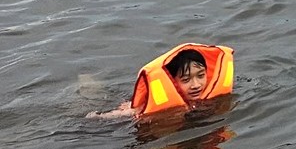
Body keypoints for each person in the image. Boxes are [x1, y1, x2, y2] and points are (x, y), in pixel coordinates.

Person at [90, 44, 234, 119]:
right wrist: (97, 117)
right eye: (186, 79)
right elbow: (104, 117)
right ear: (172, 81)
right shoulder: (141, 109)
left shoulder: (209, 95)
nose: (196, 85)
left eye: (200, 76)